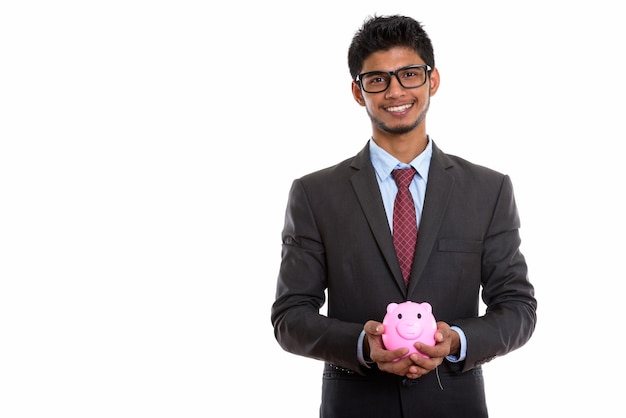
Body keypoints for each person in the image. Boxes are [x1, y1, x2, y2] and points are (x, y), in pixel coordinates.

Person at [270, 14, 537, 418]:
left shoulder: (488, 190)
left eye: (409, 74)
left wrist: (457, 341)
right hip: (356, 406)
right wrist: (362, 344)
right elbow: (290, 316)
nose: (395, 90)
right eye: (378, 79)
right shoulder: (315, 194)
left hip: (455, 406)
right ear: (359, 92)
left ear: (432, 81)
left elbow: (518, 306)